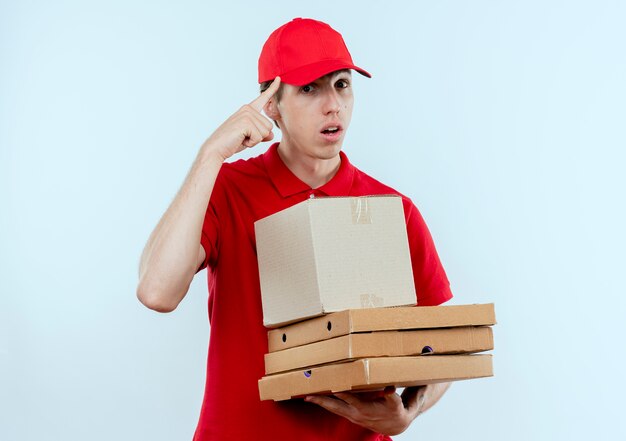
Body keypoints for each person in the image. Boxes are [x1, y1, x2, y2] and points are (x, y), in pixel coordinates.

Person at [137, 17, 453, 440]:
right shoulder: (226, 190)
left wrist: (409, 412)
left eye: (342, 84)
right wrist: (210, 155)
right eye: (310, 88)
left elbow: (442, 345)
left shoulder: (391, 209)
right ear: (272, 106)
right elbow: (157, 292)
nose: (333, 105)